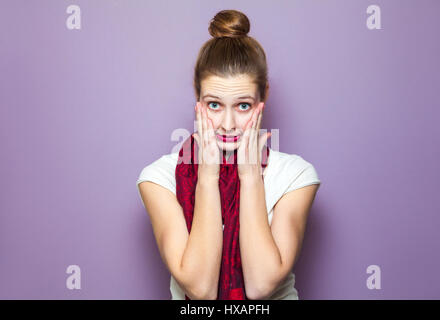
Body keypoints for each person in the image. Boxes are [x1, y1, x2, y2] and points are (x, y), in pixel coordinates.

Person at [136, 9, 321, 300]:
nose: (228, 124)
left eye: (243, 106)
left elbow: (261, 287)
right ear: (197, 97)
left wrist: (250, 178)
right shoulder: (159, 178)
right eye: (214, 105)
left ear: (264, 96)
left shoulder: (295, 175)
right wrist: (207, 177)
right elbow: (201, 291)